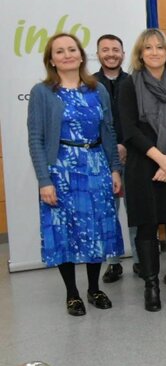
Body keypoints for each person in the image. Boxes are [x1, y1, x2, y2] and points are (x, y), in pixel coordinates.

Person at [27, 33, 123, 316]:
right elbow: (36, 138)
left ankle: (94, 288)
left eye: (72, 49)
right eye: (60, 51)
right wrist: (44, 180)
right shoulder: (43, 92)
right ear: (51, 60)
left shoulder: (97, 90)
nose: (67, 54)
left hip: (96, 167)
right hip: (61, 169)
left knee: (96, 230)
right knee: (64, 231)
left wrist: (115, 168)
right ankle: (72, 293)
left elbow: (109, 131)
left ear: (81, 56)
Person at [117, 29, 166, 311]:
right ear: (140, 53)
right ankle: (151, 287)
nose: (154, 52)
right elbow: (128, 129)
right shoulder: (128, 85)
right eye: (147, 48)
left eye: (159, 48)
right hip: (143, 166)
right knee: (147, 228)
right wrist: (160, 160)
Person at [94, 34, 134, 283]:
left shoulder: (133, 82)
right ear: (97, 54)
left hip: (135, 155)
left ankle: (140, 261)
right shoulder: (88, 84)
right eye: (105, 50)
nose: (111, 54)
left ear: (123, 53)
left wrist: (126, 145)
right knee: (109, 211)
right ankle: (113, 263)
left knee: (137, 210)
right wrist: (112, 149)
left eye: (115, 49)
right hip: (102, 158)